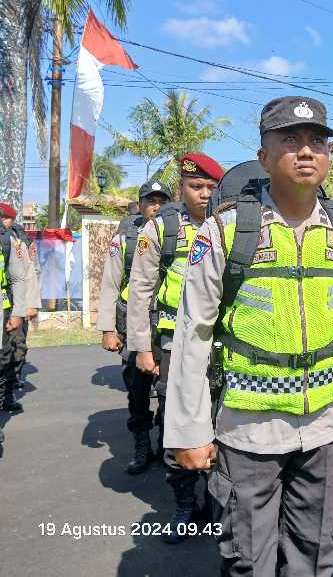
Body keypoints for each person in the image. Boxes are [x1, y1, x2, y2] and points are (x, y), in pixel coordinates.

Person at [163, 96, 333, 576]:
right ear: (264, 157)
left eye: (317, 141)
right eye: (289, 140)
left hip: (328, 429)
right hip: (248, 431)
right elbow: (193, 333)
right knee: (249, 560)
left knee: (314, 557)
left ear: (330, 159)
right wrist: (187, 430)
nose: (306, 151)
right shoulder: (224, 232)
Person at [126, 154, 222, 542]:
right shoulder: (160, 227)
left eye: (210, 188)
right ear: (181, 188)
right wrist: (141, 347)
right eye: (196, 187)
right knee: (176, 419)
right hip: (171, 341)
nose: (203, 195)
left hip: (220, 341)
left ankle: (217, 502)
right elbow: (139, 290)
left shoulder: (229, 225)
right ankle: (185, 504)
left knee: (220, 421)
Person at [97, 178, 172, 474]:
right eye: (150, 201)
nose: (156, 207)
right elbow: (110, 283)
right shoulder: (125, 237)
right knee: (137, 389)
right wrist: (107, 329)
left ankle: (168, 446)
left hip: (167, 325)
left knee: (169, 392)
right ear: (140, 205)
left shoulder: (177, 231)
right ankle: (143, 444)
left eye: (162, 201)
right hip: (134, 324)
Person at [0, 203, 37, 411]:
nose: (3, 223)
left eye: (6, 219)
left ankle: (9, 392)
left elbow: (26, 275)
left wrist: (29, 305)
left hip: (13, 307)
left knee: (16, 350)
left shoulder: (17, 241)